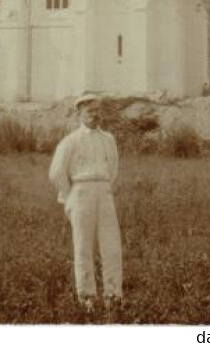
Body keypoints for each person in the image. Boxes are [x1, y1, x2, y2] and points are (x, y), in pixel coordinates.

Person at [49, 92, 123, 309]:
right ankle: (87, 297)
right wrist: (70, 195)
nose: (94, 115)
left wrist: (105, 186)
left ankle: (113, 295)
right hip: (80, 192)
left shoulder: (108, 139)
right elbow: (56, 172)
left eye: (98, 111)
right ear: (79, 114)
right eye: (90, 111)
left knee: (112, 245)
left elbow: (114, 168)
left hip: (104, 190)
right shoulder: (70, 141)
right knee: (82, 246)